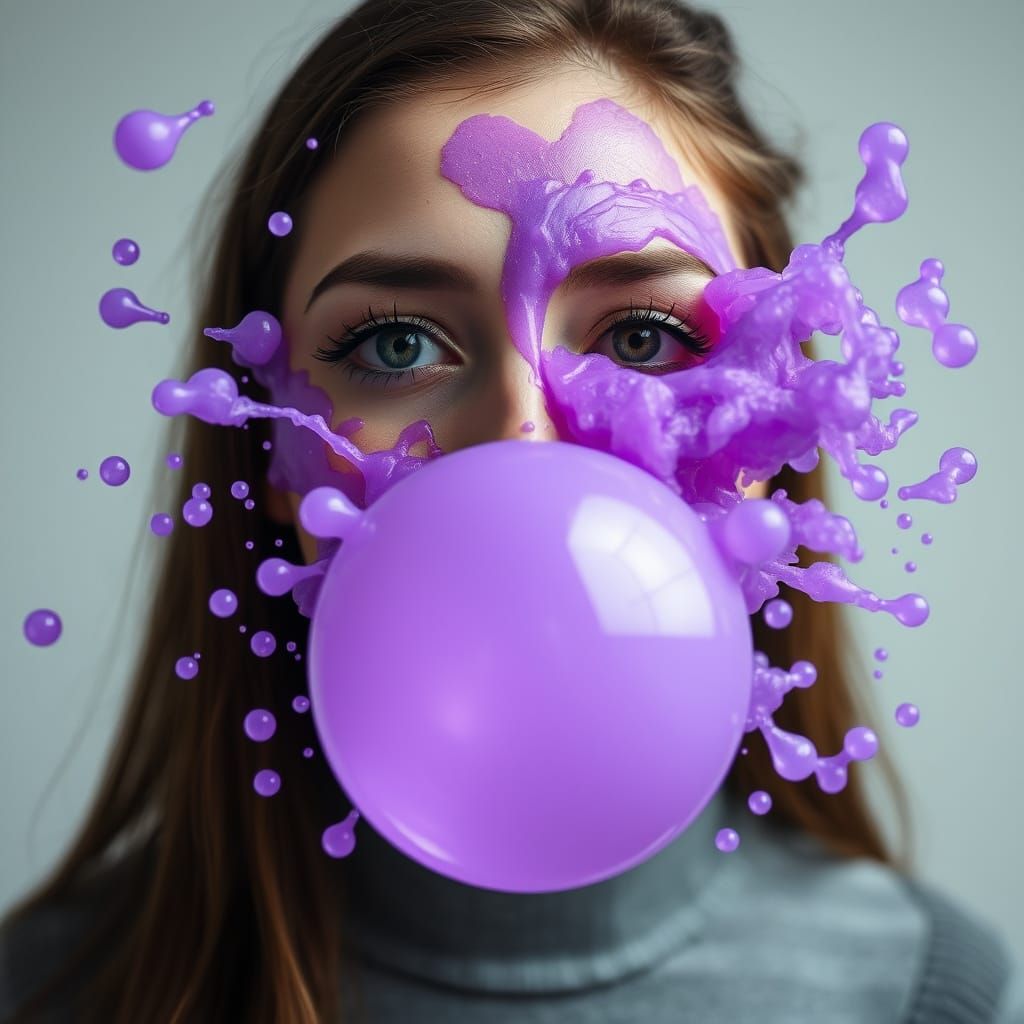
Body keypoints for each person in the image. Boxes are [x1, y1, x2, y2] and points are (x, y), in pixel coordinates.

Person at [1, 1, 1020, 1021]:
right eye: (394, 344)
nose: (522, 437)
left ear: (773, 429)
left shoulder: (920, 991)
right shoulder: (45, 992)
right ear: (269, 442)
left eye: (640, 339)